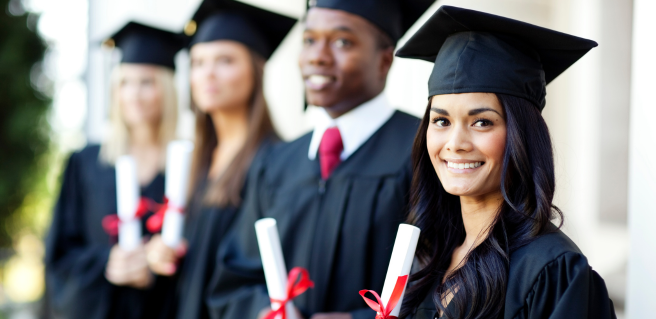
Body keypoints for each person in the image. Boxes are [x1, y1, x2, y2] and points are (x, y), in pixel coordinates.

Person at [206, 1, 434, 319]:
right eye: (309, 40)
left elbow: (447, 280)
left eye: (342, 42)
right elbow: (235, 280)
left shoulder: (426, 152)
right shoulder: (276, 162)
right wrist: (261, 311)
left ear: (384, 60)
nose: (317, 56)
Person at [394, 6, 616, 319]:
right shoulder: (426, 258)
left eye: (482, 122)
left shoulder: (552, 271)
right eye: (441, 121)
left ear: (521, 135)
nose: (455, 143)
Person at [142, 1, 296, 319]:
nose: (207, 73)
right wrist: (161, 254)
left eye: (225, 60)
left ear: (257, 69)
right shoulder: (192, 162)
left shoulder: (278, 162)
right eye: (197, 62)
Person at [45, 22, 183, 319]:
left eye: (147, 82)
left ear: (167, 88)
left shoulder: (188, 167)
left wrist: (160, 263)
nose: (134, 94)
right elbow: (60, 257)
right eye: (124, 83)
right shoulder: (85, 164)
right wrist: (110, 263)